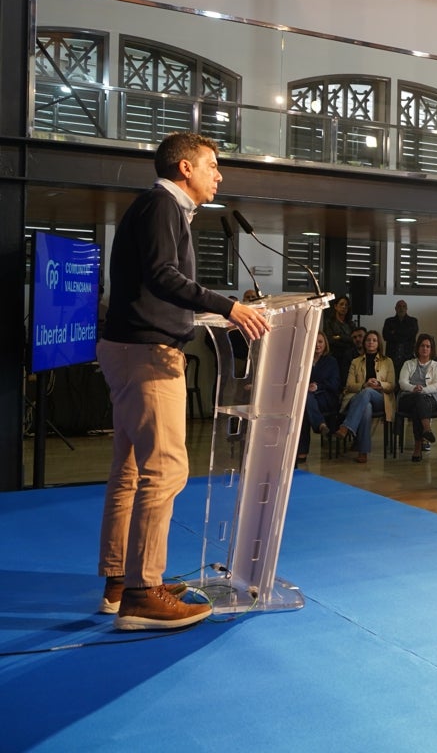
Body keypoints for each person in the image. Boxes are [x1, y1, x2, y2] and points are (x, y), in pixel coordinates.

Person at [97, 131, 269, 630]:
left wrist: (203, 317)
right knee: (166, 470)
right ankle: (143, 593)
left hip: (130, 349)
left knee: (130, 471)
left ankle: (120, 580)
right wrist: (228, 307)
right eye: (212, 164)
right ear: (185, 168)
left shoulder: (161, 209)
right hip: (148, 355)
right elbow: (162, 276)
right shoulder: (162, 206)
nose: (220, 174)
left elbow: (158, 281)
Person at [336, 330, 395, 464]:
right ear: (364, 343)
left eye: (374, 340)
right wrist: (364, 385)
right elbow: (349, 386)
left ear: (378, 343)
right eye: (368, 340)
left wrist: (379, 384)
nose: (371, 343)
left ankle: (346, 426)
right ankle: (363, 452)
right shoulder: (355, 362)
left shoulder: (387, 361)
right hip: (359, 398)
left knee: (368, 393)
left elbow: (391, 385)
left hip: (380, 398)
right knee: (366, 407)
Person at [395, 332, 437, 462]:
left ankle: (417, 448)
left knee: (418, 404)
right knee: (417, 400)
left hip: (430, 399)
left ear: (432, 349)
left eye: (428, 346)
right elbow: (402, 382)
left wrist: (422, 390)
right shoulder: (408, 364)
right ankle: (426, 428)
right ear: (417, 348)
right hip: (408, 397)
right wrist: (413, 388)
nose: (425, 348)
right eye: (422, 346)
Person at [296, 332, 340, 464]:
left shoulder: (331, 361)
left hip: (325, 397)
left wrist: (318, 386)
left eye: (320, 342)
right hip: (307, 398)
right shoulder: (304, 361)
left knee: (304, 405)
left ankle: (302, 452)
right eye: (314, 342)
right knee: (303, 407)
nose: (317, 345)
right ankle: (320, 424)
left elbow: (335, 383)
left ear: (325, 343)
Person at [324, 295, 355, 384]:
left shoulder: (350, 324)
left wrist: (339, 337)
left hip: (349, 357)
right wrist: (346, 339)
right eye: (341, 304)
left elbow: (354, 340)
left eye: (346, 305)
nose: (344, 307)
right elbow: (330, 340)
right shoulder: (329, 322)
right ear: (335, 306)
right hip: (335, 355)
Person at [382, 299, 419, 365]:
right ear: (395, 308)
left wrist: (394, 332)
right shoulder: (389, 321)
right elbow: (385, 336)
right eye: (399, 306)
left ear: (406, 309)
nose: (401, 308)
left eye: (404, 306)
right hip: (392, 356)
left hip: (408, 356)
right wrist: (405, 333)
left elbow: (411, 335)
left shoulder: (413, 321)